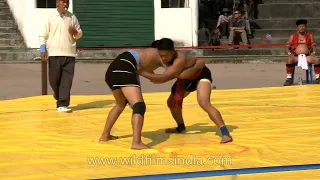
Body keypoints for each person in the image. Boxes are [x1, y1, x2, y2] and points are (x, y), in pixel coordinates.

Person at [99, 44, 205, 149]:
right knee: (139, 106)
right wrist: (197, 65)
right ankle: (136, 142)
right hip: (125, 67)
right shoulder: (163, 56)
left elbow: (154, 79)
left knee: (120, 104)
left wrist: (144, 73)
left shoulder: (146, 55)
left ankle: (105, 135)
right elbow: (174, 75)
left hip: (112, 70)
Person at [139, 38, 233, 143]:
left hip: (200, 74)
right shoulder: (161, 58)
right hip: (186, 78)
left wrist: (141, 72)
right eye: (161, 56)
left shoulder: (180, 59)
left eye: (165, 55)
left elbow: (169, 77)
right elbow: (159, 75)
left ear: (173, 51)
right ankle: (180, 127)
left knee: (204, 102)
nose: (163, 58)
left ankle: (225, 133)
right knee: (172, 102)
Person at [39, 0, 83, 112]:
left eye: (67, 2)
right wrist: (43, 49)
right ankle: (58, 94)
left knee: (66, 80)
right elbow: (43, 34)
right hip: (54, 53)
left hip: (69, 53)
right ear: (57, 3)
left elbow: (79, 34)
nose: (65, 4)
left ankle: (62, 104)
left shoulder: (72, 18)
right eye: (63, 2)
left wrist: (75, 32)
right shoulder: (50, 17)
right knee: (54, 80)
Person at [284, 19, 320, 85]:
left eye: (303, 26)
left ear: (305, 27)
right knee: (289, 60)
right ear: (297, 27)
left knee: (317, 60)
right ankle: (288, 79)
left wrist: (314, 52)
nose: (302, 28)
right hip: (296, 56)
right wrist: (289, 53)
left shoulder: (310, 35)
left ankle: (318, 78)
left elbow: (313, 45)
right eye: (300, 26)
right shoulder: (292, 36)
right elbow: (287, 47)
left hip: (307, 56)